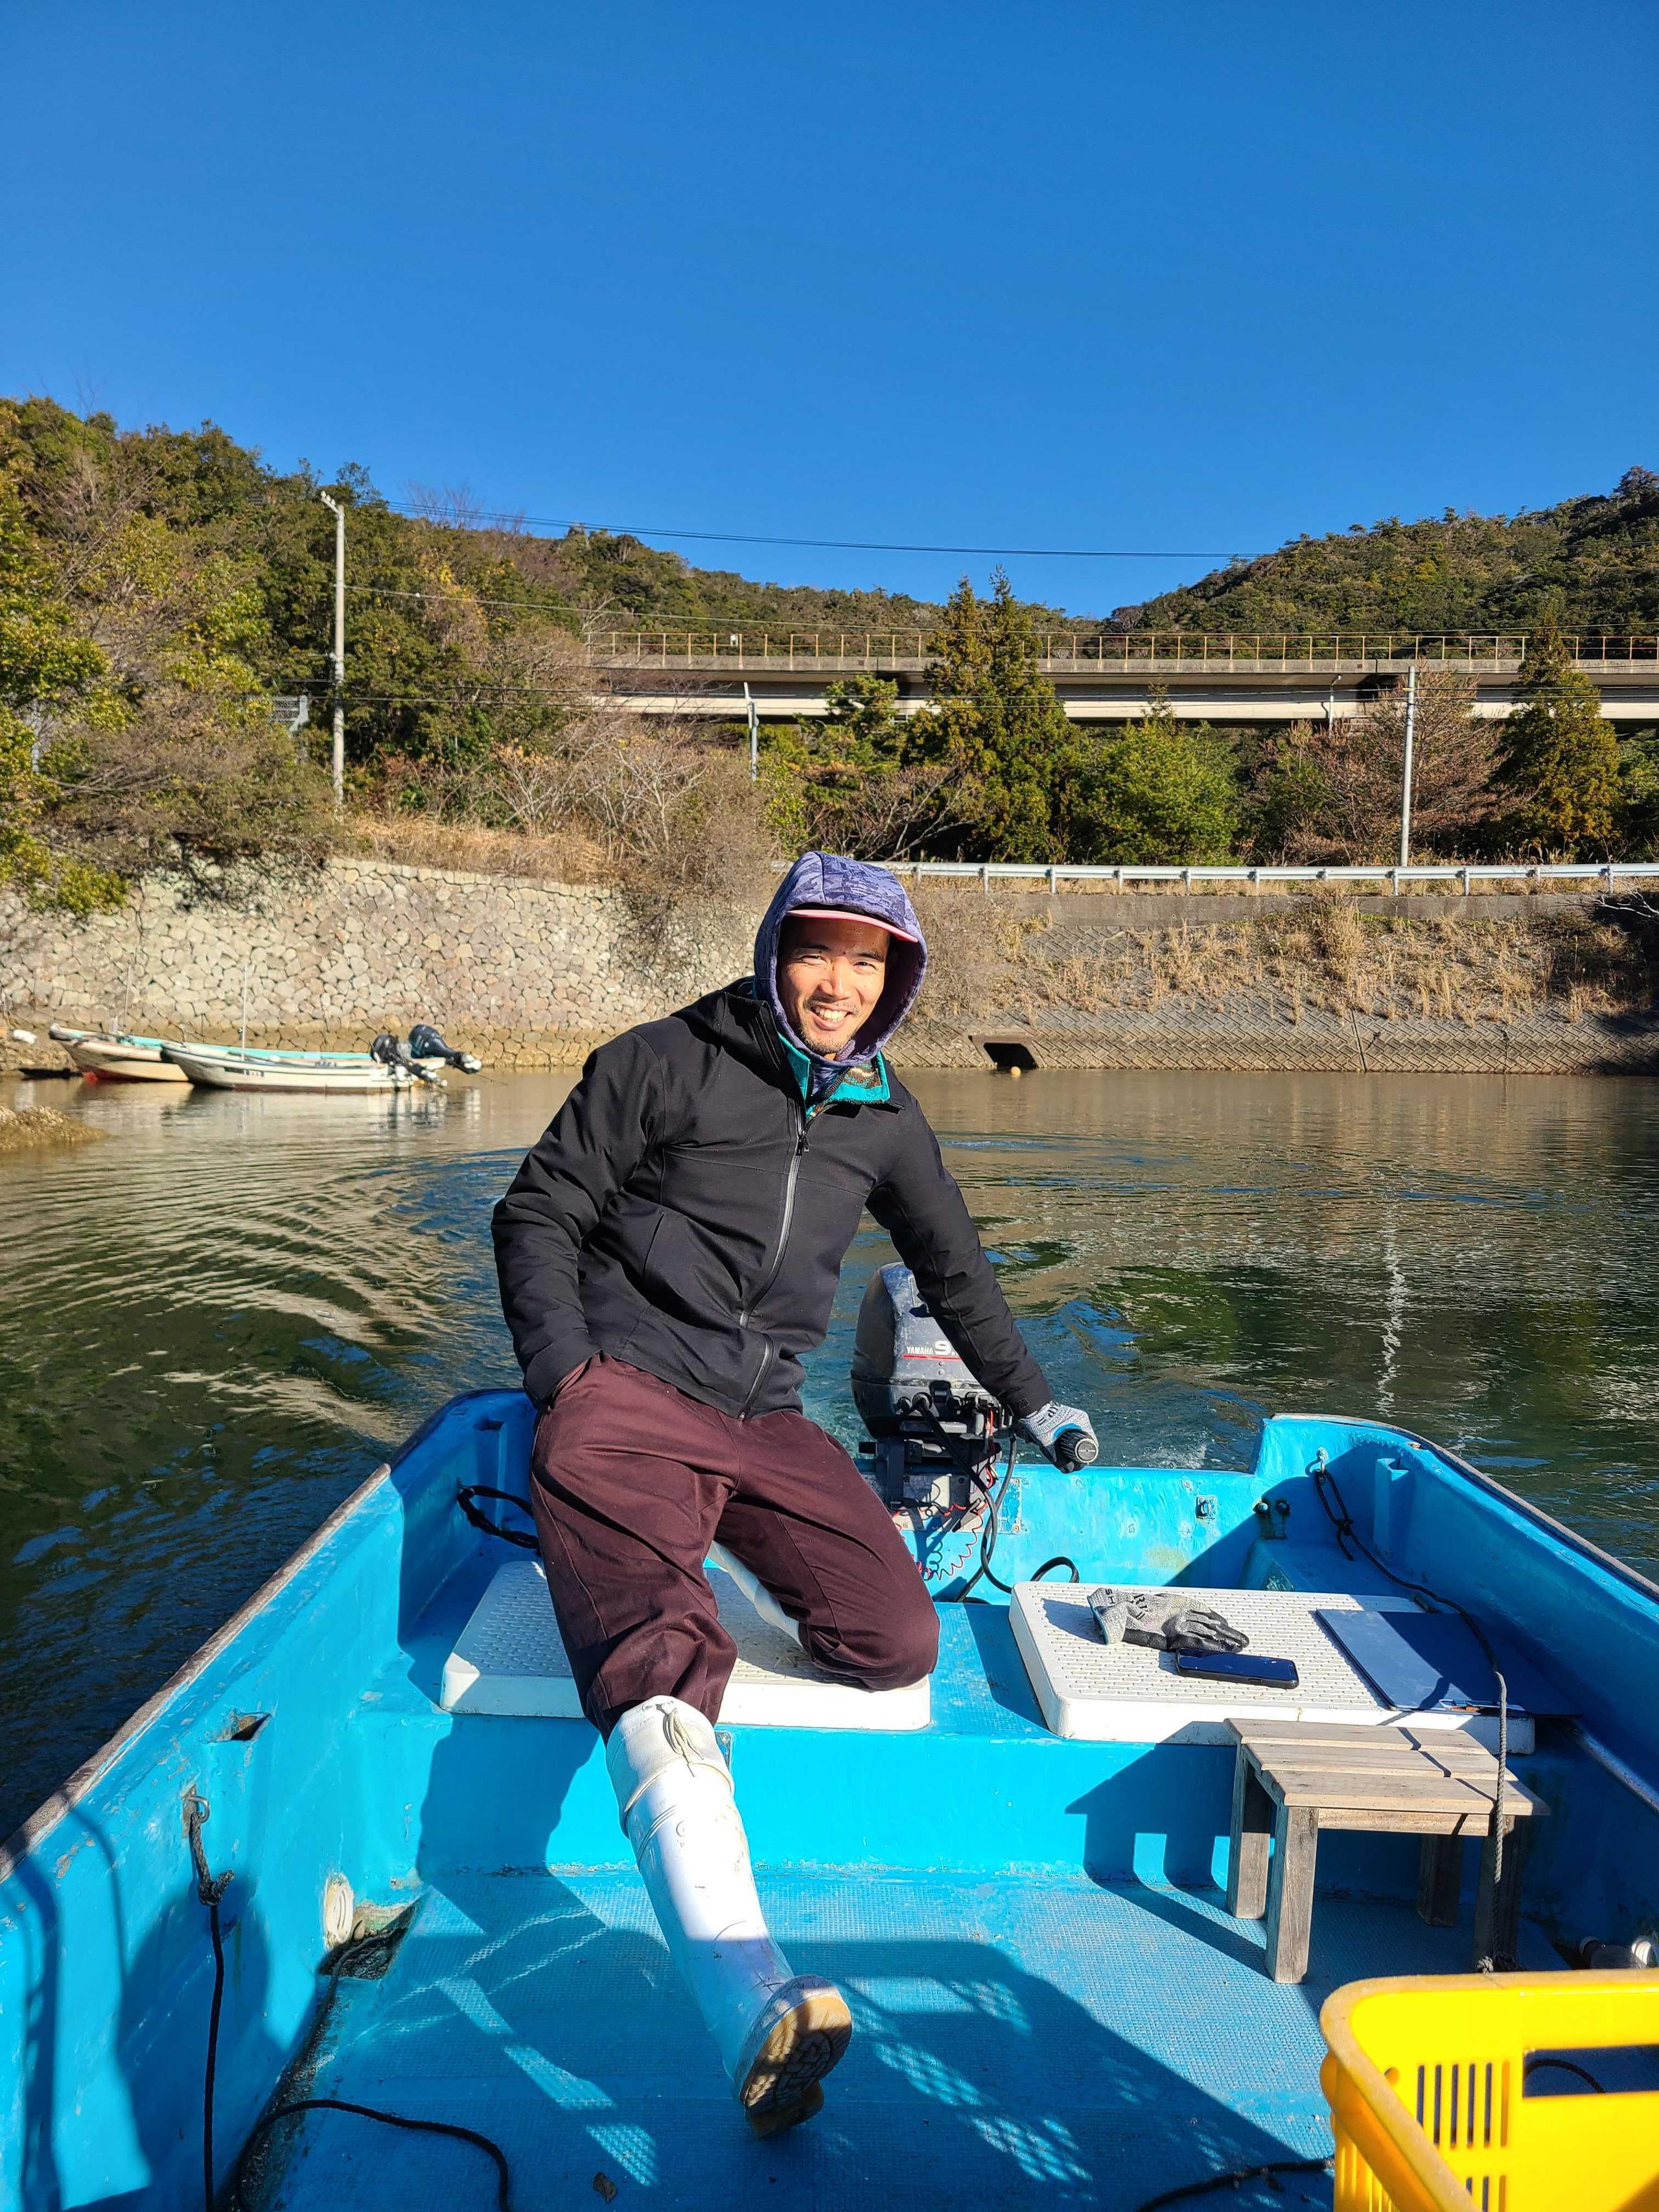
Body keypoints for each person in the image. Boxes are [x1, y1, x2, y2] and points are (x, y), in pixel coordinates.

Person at [493, 850, 1096, 2136]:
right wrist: (564, 1378)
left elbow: (956, 1272)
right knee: (665, 1657)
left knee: (896, 1644)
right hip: (627, 1391)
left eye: (868, 962)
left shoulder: (884, 1111)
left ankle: (686, 1548)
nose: (838, 983)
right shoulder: (663, 1059)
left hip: (764, 1417)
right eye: (818, 951)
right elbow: (537, 1211)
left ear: (898, 979)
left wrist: (1035, 1402)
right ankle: (743, 1997)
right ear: (774, 948)